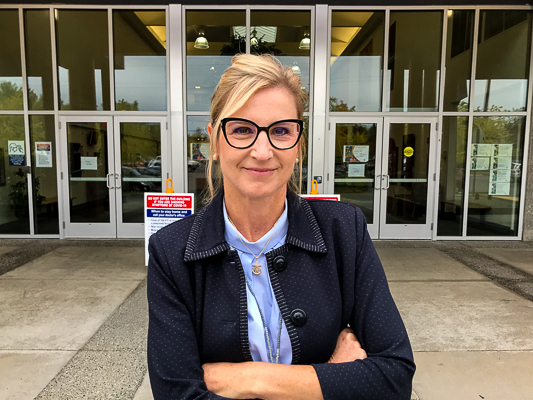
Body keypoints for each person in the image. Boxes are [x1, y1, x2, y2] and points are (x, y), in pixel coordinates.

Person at [147, 54, 415, 399]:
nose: (262, 151)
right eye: (242, 129)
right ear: (214, 140)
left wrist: (251, 380)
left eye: (281, 131)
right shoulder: (173, 252)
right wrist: (333, 377)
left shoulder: (343, 232)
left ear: (298, 145)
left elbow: (394, 378)